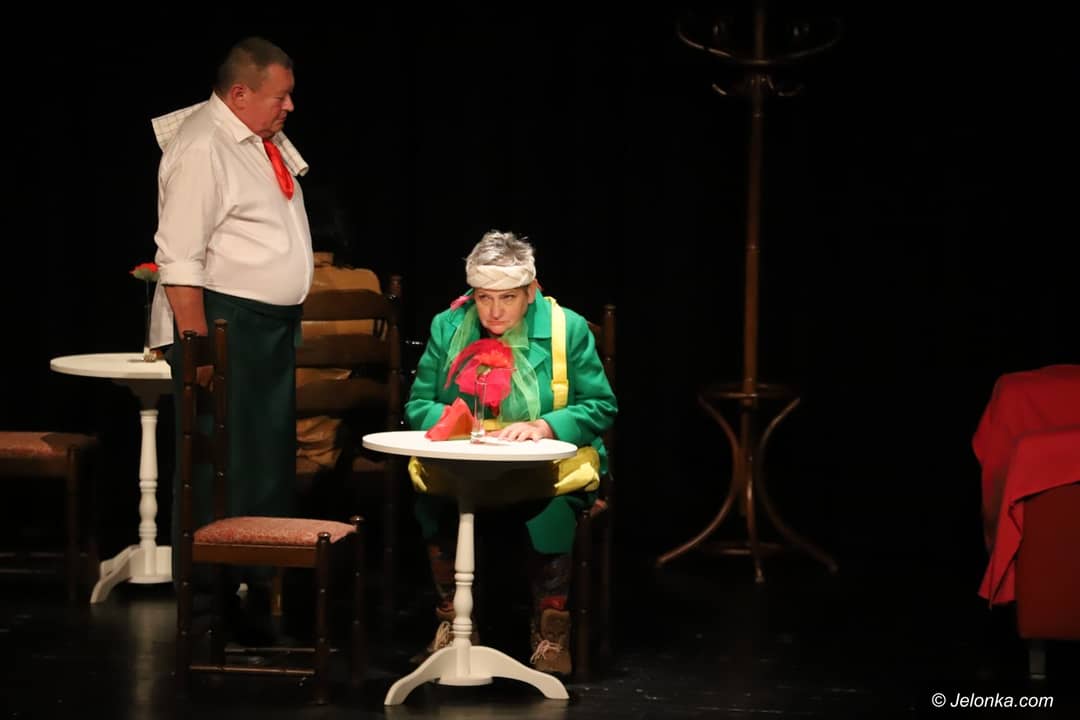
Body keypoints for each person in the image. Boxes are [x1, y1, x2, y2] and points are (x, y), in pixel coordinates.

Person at [149, 36, 313, 639]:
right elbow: (180, 258)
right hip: (224, 326)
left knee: (259, 467)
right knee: (217, 464)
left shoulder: (254, 139)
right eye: (280, 96)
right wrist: (197, 349)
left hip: (263, 327)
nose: (289, 106)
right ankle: (203, 604)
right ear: (239, 93)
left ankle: (249, 591)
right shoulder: (203, 146)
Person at [405, 230, 617, 676]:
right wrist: (459, 420)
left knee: (553, 509)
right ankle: (455, 624)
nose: (495, 311)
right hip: (468, 467)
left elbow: (601, 405)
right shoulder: (449, 327)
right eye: (484, 298)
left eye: (508, 298)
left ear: (530, 292)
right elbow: (418, 404)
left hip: (548, 468)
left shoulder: (566, 328)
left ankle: (551, 631)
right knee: (433, 500)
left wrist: (546, 425)